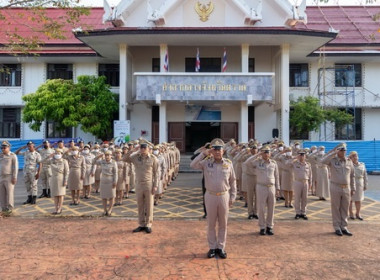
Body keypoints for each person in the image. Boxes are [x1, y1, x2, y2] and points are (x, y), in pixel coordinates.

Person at [190, 138, 236, 259]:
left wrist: (233, 196)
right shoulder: (206, 162)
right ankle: (212, 247)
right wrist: (204, 153)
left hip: (223, 196)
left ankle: (221, 247)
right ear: (212, 151)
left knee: (223, 224)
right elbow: (192, 165)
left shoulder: (228, 163)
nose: (217, 152)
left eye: (219, 150)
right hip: (210, 195)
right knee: (211, 224)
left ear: (223, 151)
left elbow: (233, 181)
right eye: (214, 150)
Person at [124, 140, 158, 234]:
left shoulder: (153, 158)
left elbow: (156, 173)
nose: (143, 150)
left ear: (148, 149)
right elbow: (125, 159)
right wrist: (132, 150)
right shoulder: (135, 157)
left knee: (149, 204)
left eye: (144, 148)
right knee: (140, 205)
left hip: (148, 184)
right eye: (141, 148)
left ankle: (148, 224)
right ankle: (141, 224)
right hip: (138, 184)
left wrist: (155, 185)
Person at [321, 143, 355, 236]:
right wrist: (332, 153)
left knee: (345, 207)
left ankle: (344, 226)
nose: (343, 152)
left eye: (344, 150)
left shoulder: (349, 161)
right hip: (335, 186)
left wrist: (353, 187)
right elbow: (322, 161)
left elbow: (352, 176)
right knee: (336, 207)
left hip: (346, 187)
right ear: (338, 151)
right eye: (341, 150)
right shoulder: (332, 160)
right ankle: (337, 227)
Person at [246, 145, 280, 236]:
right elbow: (247, 163)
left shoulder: (273, 163)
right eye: (264, 152)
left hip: (271, 187)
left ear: (270, 153)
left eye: (267, 152)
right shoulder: (257, 162)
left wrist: (278, 188)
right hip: (261, 186)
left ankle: (269, 226)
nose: (266, 154)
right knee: (261, 208)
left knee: (271, 207)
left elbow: (276, 176)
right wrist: (257, 154)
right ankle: (262, 227)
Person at [286, 149, 312, 220]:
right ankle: (297, 212)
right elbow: (287, 163)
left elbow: (310, 175)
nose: (301, 157)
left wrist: (310, 183)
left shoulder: (308, 164)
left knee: (305, 198)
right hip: (297, 182)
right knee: (297, 198)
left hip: (305, 182)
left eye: (303, 155)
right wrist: (294, 158)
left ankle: (303, 212)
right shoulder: (295, 163)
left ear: (305, 156)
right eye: (300, 155)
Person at [15, 141, 42, 205]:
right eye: (28, 146)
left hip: (33, 172)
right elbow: (16, 153)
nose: (29, 147)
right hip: (26, 171)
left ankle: (34, 198)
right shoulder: (26, 152)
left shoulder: (37, 154)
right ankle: (29, 198)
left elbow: (40, 164)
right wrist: (21, 147)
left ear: (34, 146)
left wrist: (38, 173)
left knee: (34, 185)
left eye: (30, 146)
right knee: (27, 185)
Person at [96, 150, 118, 216]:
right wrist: (98, 156)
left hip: (110, 180)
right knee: (104, 196)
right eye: (106, 155)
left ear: (111, 156)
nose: (107, 156)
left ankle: (110, 209)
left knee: (112, 196)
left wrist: (115, 181)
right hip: (103, 180)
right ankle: (105, 209)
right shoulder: (102, 162)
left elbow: (115, 173)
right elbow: (93, 161)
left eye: (108, 155)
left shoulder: (114, 163)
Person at [348, 151, 368, 220]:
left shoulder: (362, 164)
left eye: (356, 156)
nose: (355, 157)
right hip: (351, 183)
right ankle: (351, 213)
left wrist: (365, 184)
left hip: (359, 183)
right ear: (350, 158)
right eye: (353, 156)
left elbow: (365, 175)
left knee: (358, 200)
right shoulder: (348, 165)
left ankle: (358, 213)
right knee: (350, 200)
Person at [0, 141, 18, 214]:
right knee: (2, 193)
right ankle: (4, 208)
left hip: (9, 176)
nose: (3, 149)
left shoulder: (12, 155)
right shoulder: (1, 156)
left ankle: (10, 208)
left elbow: (15, 167)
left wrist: (14, 177)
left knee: (9, 193)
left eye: (4, 147)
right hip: (1, 177)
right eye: (2, 147)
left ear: (9, 147)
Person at [49, 148, 69, 214]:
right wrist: (49, 157)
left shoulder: (64, 161)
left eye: (59, 153)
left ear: (61, 154)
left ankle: (60, 208)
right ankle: (56, 208)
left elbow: (67, 172)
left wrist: (65, 180)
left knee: (60, 194)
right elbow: (42, 161)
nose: (57, 155)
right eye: (56, 153)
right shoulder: (52, 161)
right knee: (55, 194)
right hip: (54, 178)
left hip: (61, 178)